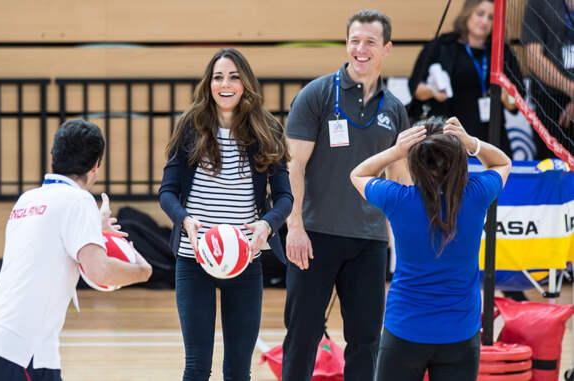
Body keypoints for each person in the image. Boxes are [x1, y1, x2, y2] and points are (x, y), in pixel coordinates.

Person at [282, 9, 411, 381]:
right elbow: (294, 165)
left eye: (370, 41)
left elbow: (398, 178)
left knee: (367, 342)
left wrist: (401, 240)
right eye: (355, 40)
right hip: (315, 237)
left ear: (386, 48)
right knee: (303, 338)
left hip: (368, 242)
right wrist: (296, 227)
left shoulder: (395, 110)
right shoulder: (317, 94)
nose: (361, 49)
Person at [0, 119, 152, 381]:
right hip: (20, 352)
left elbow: (49, 243)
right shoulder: (78, 201)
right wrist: (143, 271)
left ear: (54, 157)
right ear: (95, 167)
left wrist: (94, 227)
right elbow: (100, 271)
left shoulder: (29, 199)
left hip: (1, 343)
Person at [158, 48, 292, 381]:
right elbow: (167, 192)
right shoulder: (191, 126)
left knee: (237, 370)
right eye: (218, 77)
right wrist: (185, 220)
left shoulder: (267, 129)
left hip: (245, 260)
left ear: (246, 83)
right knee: (196, 366)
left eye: (233, 76)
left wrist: (266, 224)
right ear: (209, 84)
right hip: (195, 259)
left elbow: (285, 197)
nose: (225, 84)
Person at [350, 116, 512, 381]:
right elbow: (503, 162)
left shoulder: (398, 200)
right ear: (460, 162)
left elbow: (358, 173)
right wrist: (472, 143)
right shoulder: (477, 194)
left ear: (415, 161)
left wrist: (395, 150)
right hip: (461, 332)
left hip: (405, 330)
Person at [407, 0, 525, 157]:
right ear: (468, 13)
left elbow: (515, 104)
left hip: (490, 140)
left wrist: (506, 96)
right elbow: (415, 89)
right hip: (447, 138)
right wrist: (432, 91)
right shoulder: (442, 45)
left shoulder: (503, 52)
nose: (484, 21)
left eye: (491, 17)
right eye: (480, 13)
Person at [522, 0, 574, 159]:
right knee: (553, 171)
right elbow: (533, 58)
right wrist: (572, 89)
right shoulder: (538, 3)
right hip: (551, 101)